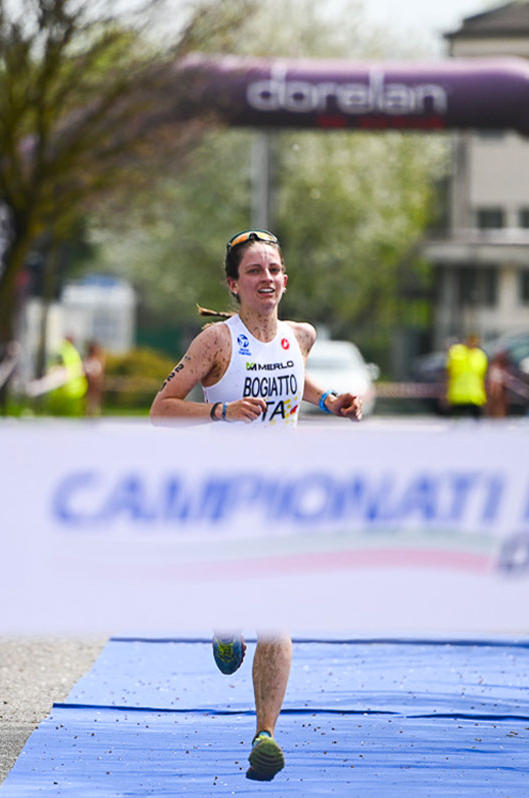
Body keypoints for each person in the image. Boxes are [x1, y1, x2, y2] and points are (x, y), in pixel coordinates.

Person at [149, 228, 361, 781]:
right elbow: (161, 408)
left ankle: (265, 734)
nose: (266, 279)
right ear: (233, 284)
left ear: (284, 280)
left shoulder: (301, 335)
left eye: (274, 270)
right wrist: (219, 414)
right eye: (254, 272)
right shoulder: (216, 342)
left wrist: (329, 400)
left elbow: (295, 377)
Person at [445, 333, 487, 419]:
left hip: (475, 396)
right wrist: (445, 393)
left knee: (476, 427)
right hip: (458, 397)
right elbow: (448, 373)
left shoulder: (480, 355)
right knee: (456, 425)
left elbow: (483, 376)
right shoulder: (456, 353)